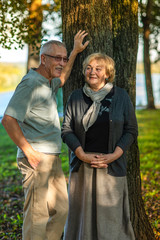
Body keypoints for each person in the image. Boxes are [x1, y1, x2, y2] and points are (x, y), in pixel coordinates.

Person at [1, 30, 89, 240]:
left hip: (53, 157)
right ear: (43, 58)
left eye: (63, 58)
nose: (61, 62)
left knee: (61, 211)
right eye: (56, 58)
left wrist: (75, 51)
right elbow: (8, 119)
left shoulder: (49, 81)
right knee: (37, 216)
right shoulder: (30, 83)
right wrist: (29, 151)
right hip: (36, 158)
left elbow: (63, 76)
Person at [61, 53, 138, 240]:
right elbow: (66, 130)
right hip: (82, 166)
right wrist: (81, 155)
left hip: (111, 166)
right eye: (89, 68)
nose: (92, 72)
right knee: (81, 219)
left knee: (111, 219)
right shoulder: (76, 96)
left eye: (98, 68)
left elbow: (131, 130)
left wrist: (114, 156)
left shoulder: (120, 96)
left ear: (107, 74)